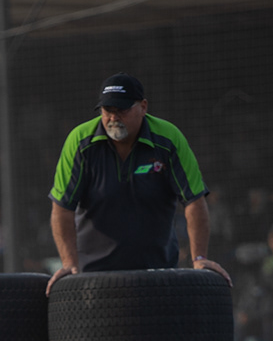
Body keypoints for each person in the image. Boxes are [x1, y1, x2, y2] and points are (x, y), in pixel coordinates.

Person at [47, 73, 228, 293]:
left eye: (121, 110)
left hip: (158, 271)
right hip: (93, 274)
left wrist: (199, 258)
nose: (113, 118)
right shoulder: (80, 141)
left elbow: (194, 200)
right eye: (107, 111)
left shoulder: (169, 139)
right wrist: (69, 263)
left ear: (143, 107)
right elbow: (62, 207)